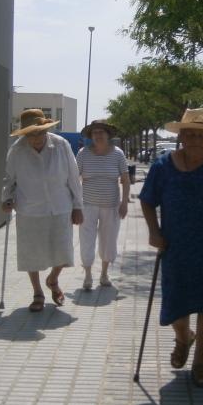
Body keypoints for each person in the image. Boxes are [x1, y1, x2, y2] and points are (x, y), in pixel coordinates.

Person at [138, 108, 203, 388]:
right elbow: (147, 199)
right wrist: (154, 231)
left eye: (202, 135)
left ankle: (201, 364)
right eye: (190, 134)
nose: (196, 140)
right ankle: (183, 338)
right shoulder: (163, 165)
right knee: (176, 303)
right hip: (175, 246)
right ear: (181, 136)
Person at [1, 109, 84, 312]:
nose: (36, 138)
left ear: (46, 130)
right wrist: (6, 199)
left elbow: (73, 177)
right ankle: (37, 292)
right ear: (25, 134)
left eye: (40, 132)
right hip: (30, 209)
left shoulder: (61, 145)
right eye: (31, 134)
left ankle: (53, 279)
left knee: (63, 251)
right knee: (31, 254)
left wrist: (78, 206)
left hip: (60, 206)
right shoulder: (17, 150)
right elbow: (9, 179)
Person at [76, 119, 130, 290]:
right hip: (87, 205)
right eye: (95, 132)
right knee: (86, 240)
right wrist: (74, 205)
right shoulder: (83, 153)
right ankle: (88, 275)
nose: (98, 135)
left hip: (111, 205)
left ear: (108, 135)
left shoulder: (118, 154)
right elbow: (74, 179)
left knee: (109, 240)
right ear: (91, 135)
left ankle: (104, 274)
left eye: (101, 132)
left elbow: (125, 179)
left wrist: (124, 203)